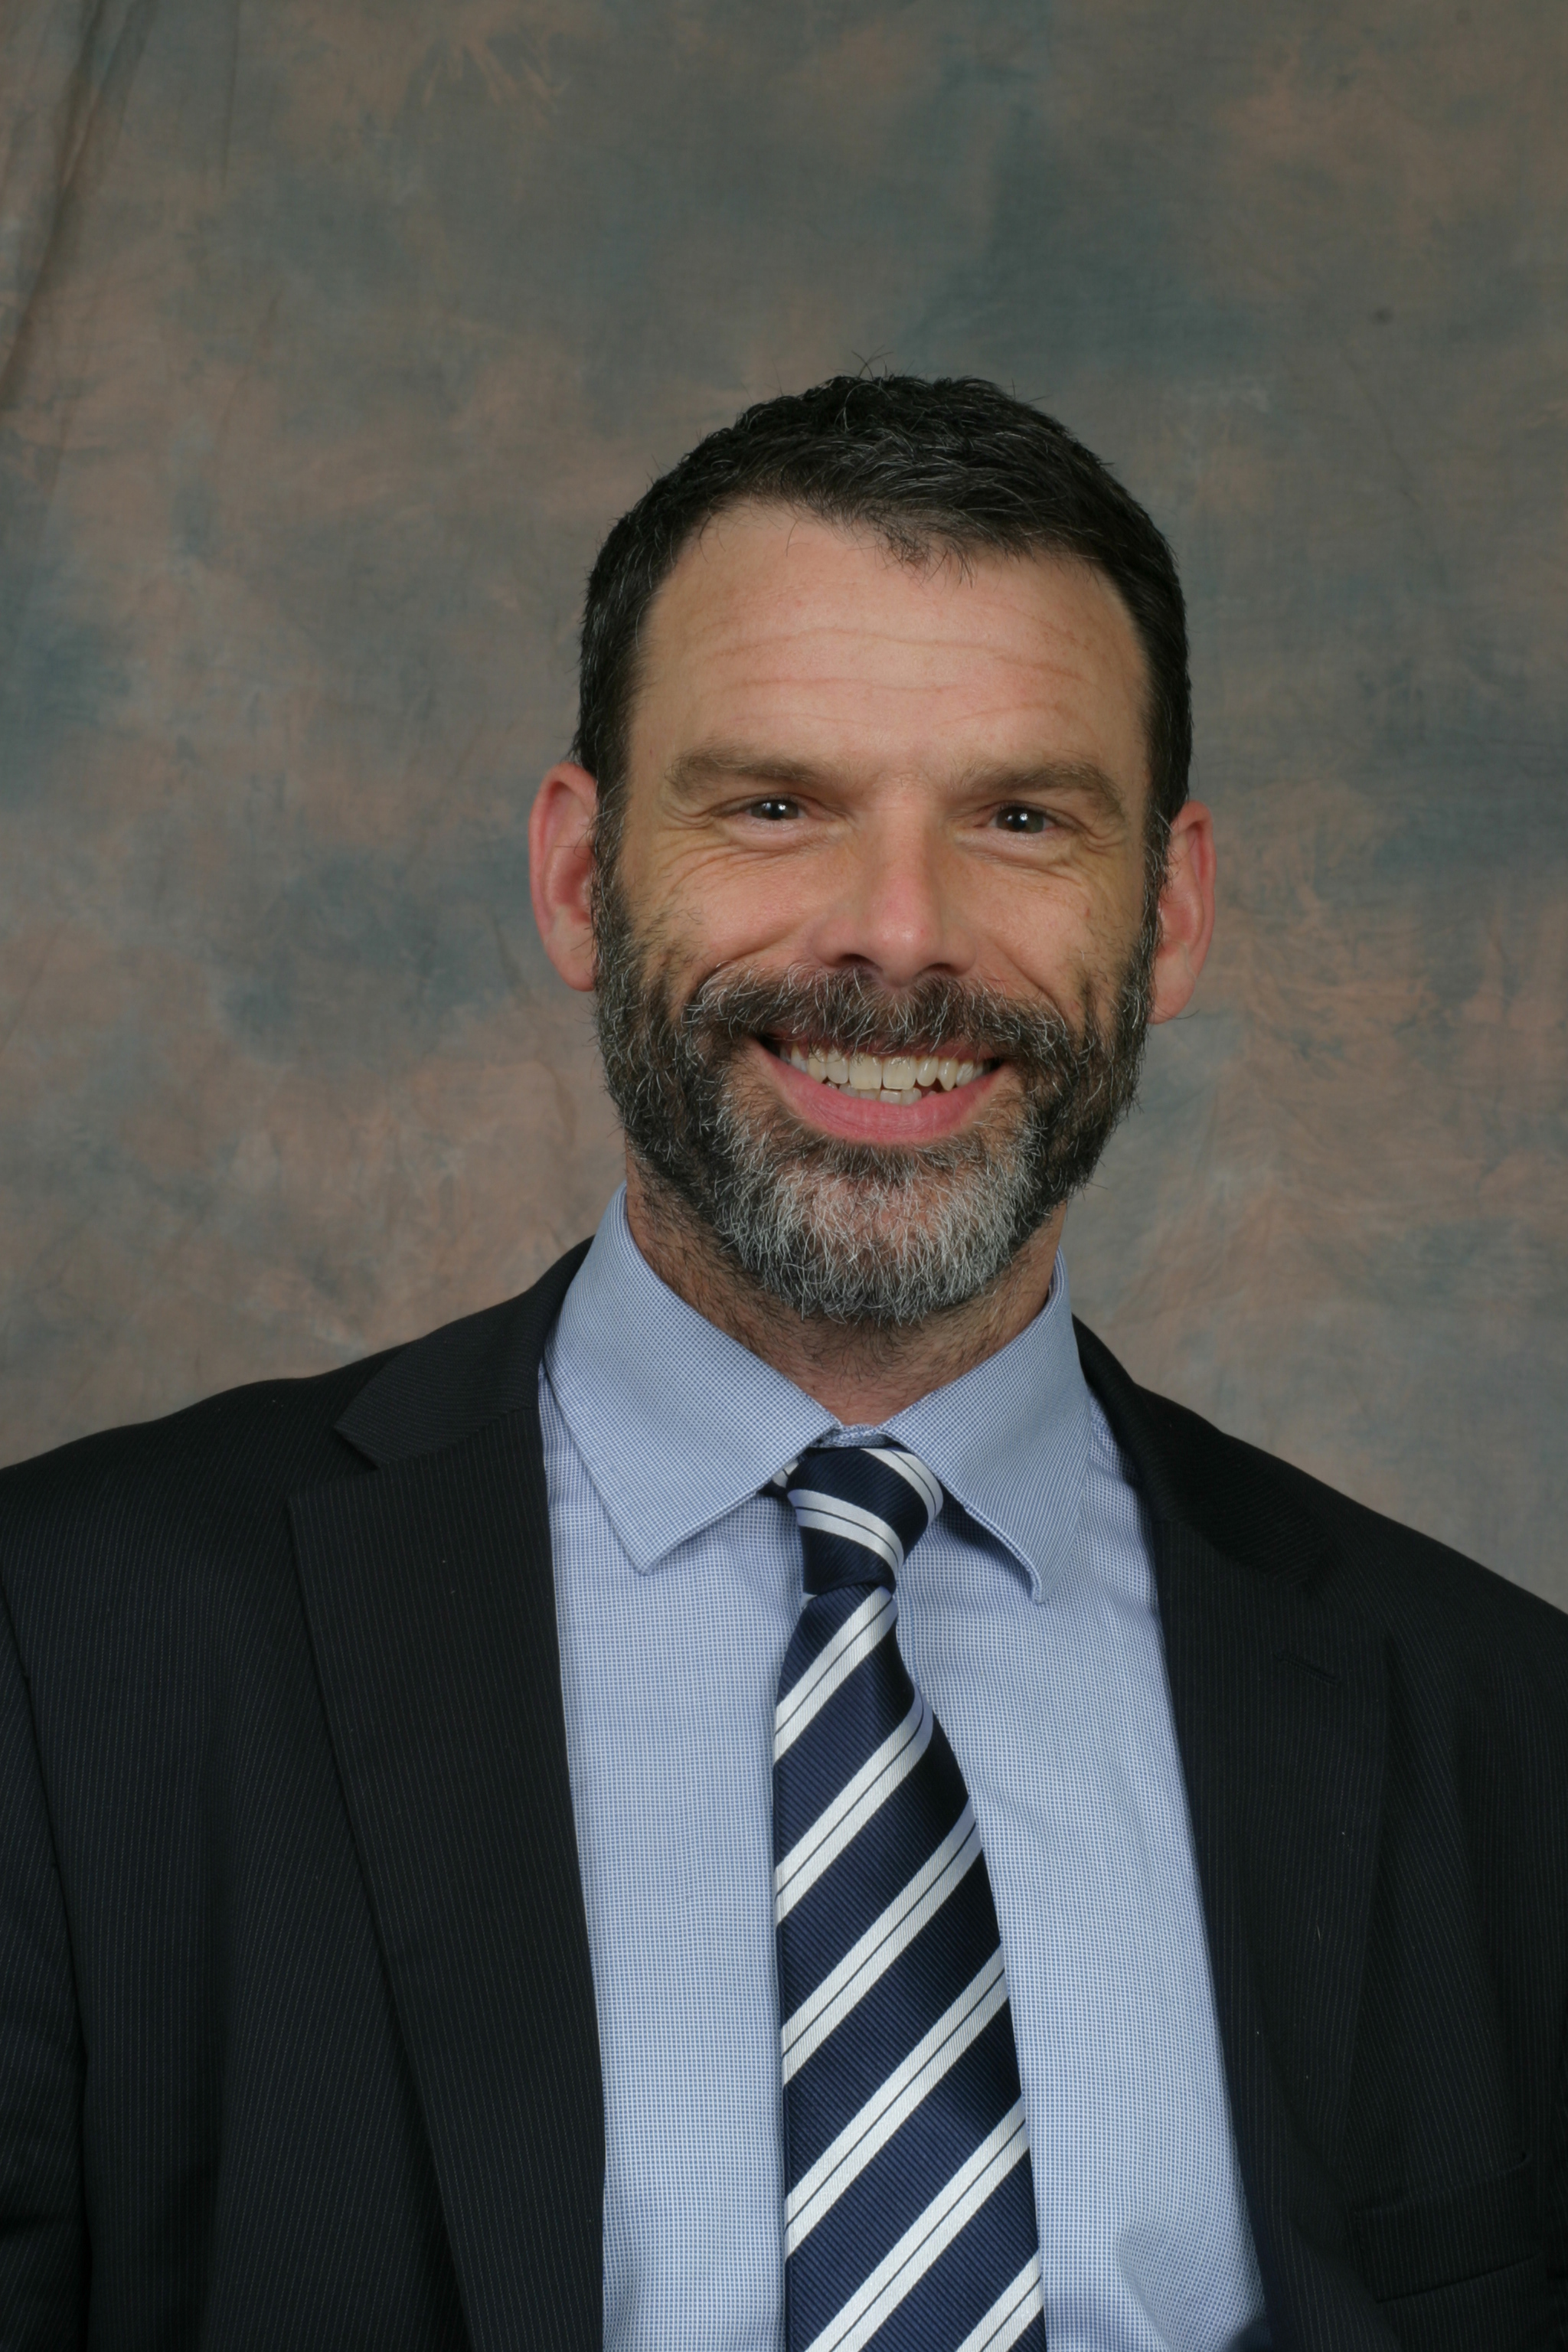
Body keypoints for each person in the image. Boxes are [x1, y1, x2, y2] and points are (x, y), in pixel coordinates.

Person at [0, 375, 1563, 2352]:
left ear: (1166, 913)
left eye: (1018, 817)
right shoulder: (65, 1658)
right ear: (583, 879)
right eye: (774, 805)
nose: (897, 937)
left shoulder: (1503, 1729)